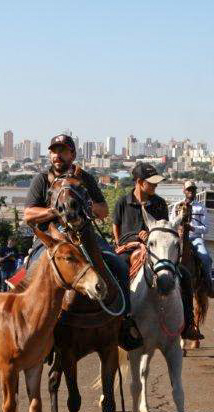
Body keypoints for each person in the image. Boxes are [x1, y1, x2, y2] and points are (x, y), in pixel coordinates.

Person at [24, 133, 142, 350]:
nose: (58, 155)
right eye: (54, 151)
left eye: (63, 151)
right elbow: (29, 214)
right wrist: (54, 210)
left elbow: (103, 210)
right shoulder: (41, 179)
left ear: (72, 154)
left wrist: (83, 204)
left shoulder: (85, 178)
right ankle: (29, 326)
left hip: (83, 234)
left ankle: (125, 319)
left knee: (117, 264)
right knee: (31, 270)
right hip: (50, 239)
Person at [112, 163, 203, 341]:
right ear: (139, 182)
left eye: (156, 183)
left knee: (183, 274)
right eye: (151, 183)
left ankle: (189, 323)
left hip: (154, 249)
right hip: (128, 247)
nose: (155, 186)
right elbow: (116, 226)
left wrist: (150, 236)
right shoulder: (123, 201)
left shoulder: (159, 203)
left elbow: (164, 228)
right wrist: (125, 241)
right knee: (116, 270)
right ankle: (116, 319)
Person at [170, 181, 214, 298]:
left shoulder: (201, 207)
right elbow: (171, 224)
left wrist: (192, 228)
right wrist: (179, 228)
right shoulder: (177, 206)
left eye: (193, 189)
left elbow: (206, 228)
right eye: (188, 189)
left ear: (195, 191)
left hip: (195, 238)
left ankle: (209, 285)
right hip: (179, 237)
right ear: (184, 191)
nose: (191, 192)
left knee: (206, 258)